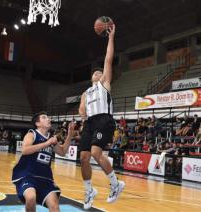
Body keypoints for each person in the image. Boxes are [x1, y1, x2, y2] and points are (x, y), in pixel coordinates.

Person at [78, 24, 125, 210]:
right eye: (95, 72)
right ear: (91, 77)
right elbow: (82, 110)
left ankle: (115, 184)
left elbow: (108, 58)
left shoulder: (104, 84)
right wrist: (81, 111)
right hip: (90, 123)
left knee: (96, 153)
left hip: (104, 120)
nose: (98, 72)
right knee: (83, 157)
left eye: (100, 72)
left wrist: (111, 38)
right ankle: (89, 190)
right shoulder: (85, 93)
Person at [11, 111, 75, 212]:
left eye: (48, 117)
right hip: (28, 175)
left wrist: (70, 134)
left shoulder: (51, 138)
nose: (48, 119)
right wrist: (47, 143)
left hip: (45, 178)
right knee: (31, 197)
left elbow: (62, 152)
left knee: (54, 207)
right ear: (37, 123)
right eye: (44, 117)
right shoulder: (32, 134)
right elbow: (25, 150)